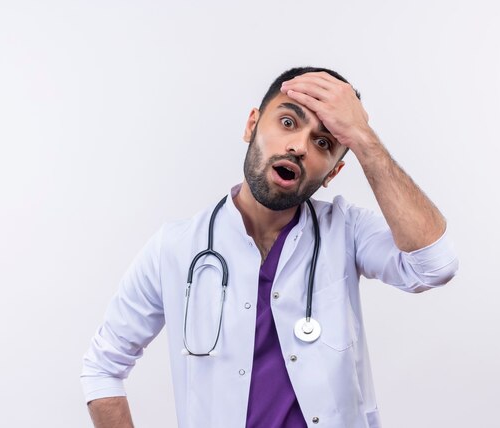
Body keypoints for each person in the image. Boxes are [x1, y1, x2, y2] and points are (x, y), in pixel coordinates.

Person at [81, 66, 459, 428]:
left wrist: (364, 139)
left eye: (323, 142)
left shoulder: (347, 230)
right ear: (251, 125)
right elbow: (102, 368)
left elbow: (434, 265)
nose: (298, 147)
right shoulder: (175, 248)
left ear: (332, 173)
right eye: (288, 122)